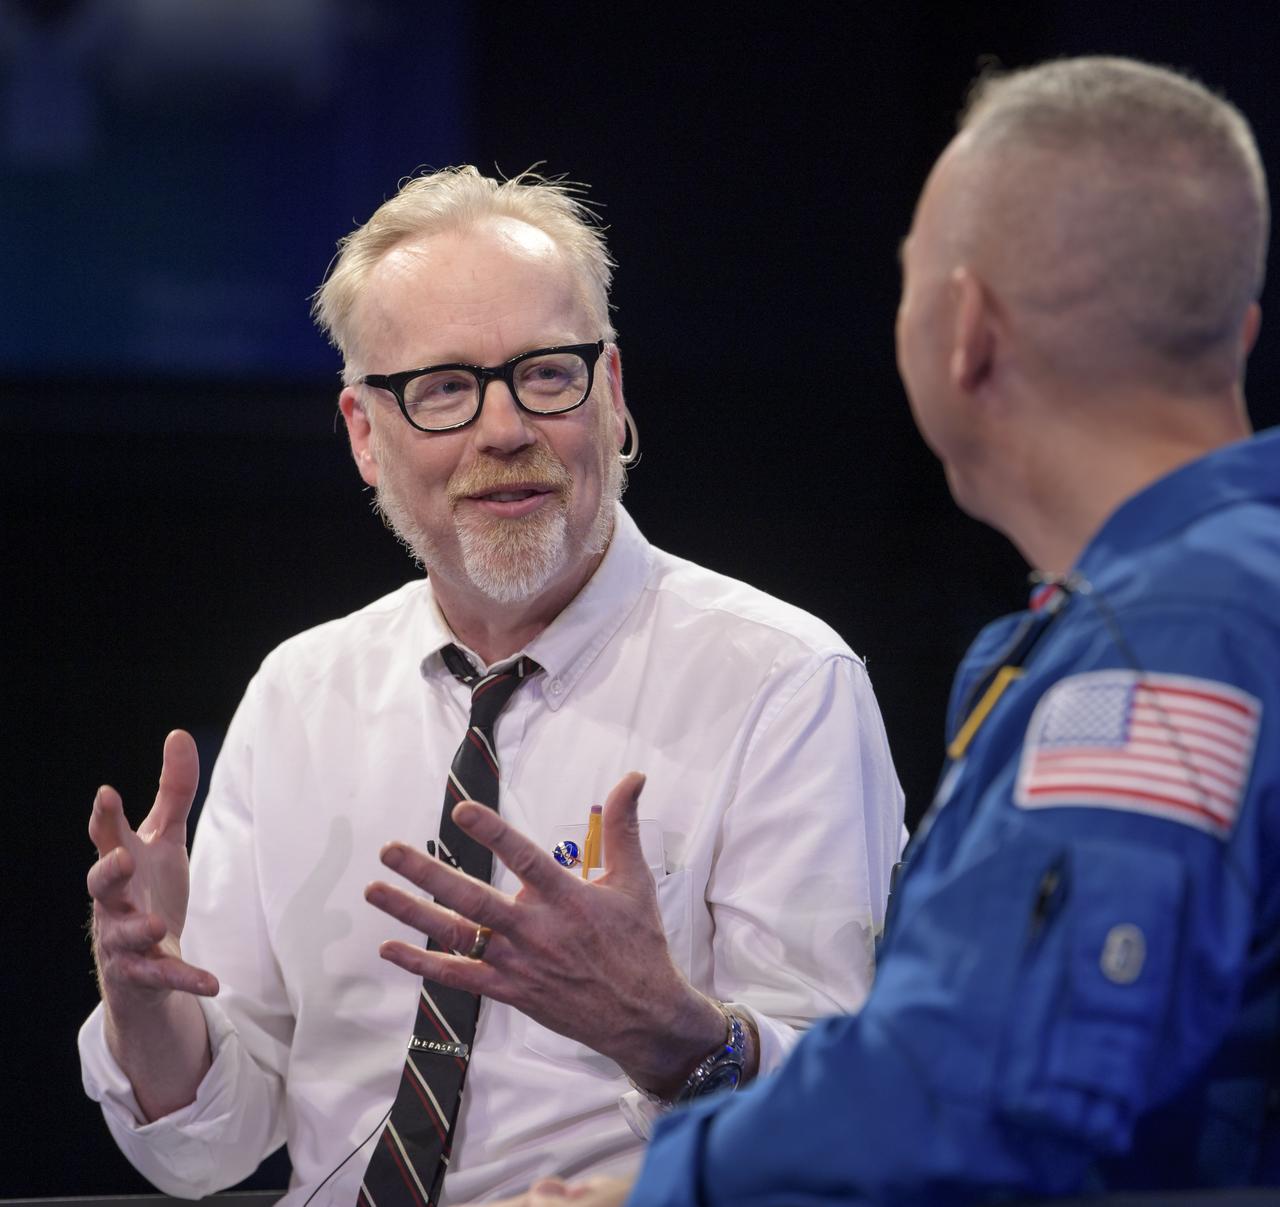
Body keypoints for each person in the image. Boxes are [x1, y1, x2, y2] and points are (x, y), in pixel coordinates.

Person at [480, 54, 1280, 1207]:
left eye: (905, 279)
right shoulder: (1188, 599)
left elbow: (995, 1087)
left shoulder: (1167, 641)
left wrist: (667, 1192)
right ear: (1233, 328)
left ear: (965, 332)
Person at [79, 167, 906, 1205]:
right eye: (442, 389)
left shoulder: (782, 683)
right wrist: (147, 1006)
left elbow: (848, 1120)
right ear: (363, 435)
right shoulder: (301, 691)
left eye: (547, 374)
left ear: (610, 393)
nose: (504, 428)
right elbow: (208, 1148)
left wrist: (663, 1027)